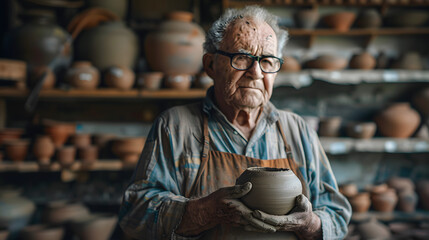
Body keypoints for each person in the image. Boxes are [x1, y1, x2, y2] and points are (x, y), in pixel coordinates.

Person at [119, 5, 351, 240]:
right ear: (210, 65)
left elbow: (338, 216)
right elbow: (134, 215)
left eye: (267, 61)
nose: (256, 73)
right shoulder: (175, 126)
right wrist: (206, 212)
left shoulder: (298, 130)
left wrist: (309, 224)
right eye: (242, 58)